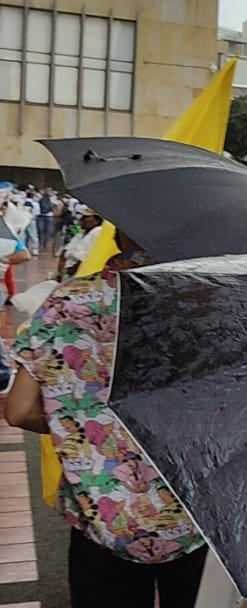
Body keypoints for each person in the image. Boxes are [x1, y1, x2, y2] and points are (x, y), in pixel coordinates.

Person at [5, 231, 208, 607]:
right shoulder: (205, 308)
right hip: (195, 518)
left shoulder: (68, 302)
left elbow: (18, 409)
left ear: (116, 235)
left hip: (99, 515)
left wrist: (85, 432)